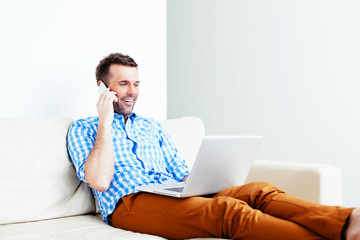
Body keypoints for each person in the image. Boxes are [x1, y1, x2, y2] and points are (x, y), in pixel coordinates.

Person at [67, 53, 360, 240]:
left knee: (259, 190)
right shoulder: (85, 129)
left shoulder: (152, 127)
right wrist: (104, 120)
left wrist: (198, 179)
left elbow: (180, 171)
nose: (132, 92)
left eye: (137, 83)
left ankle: (347, 221)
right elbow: (100, 181)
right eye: (123, 84)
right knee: (229, 211)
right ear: (103, 88)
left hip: (172, 192)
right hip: (130, 203)